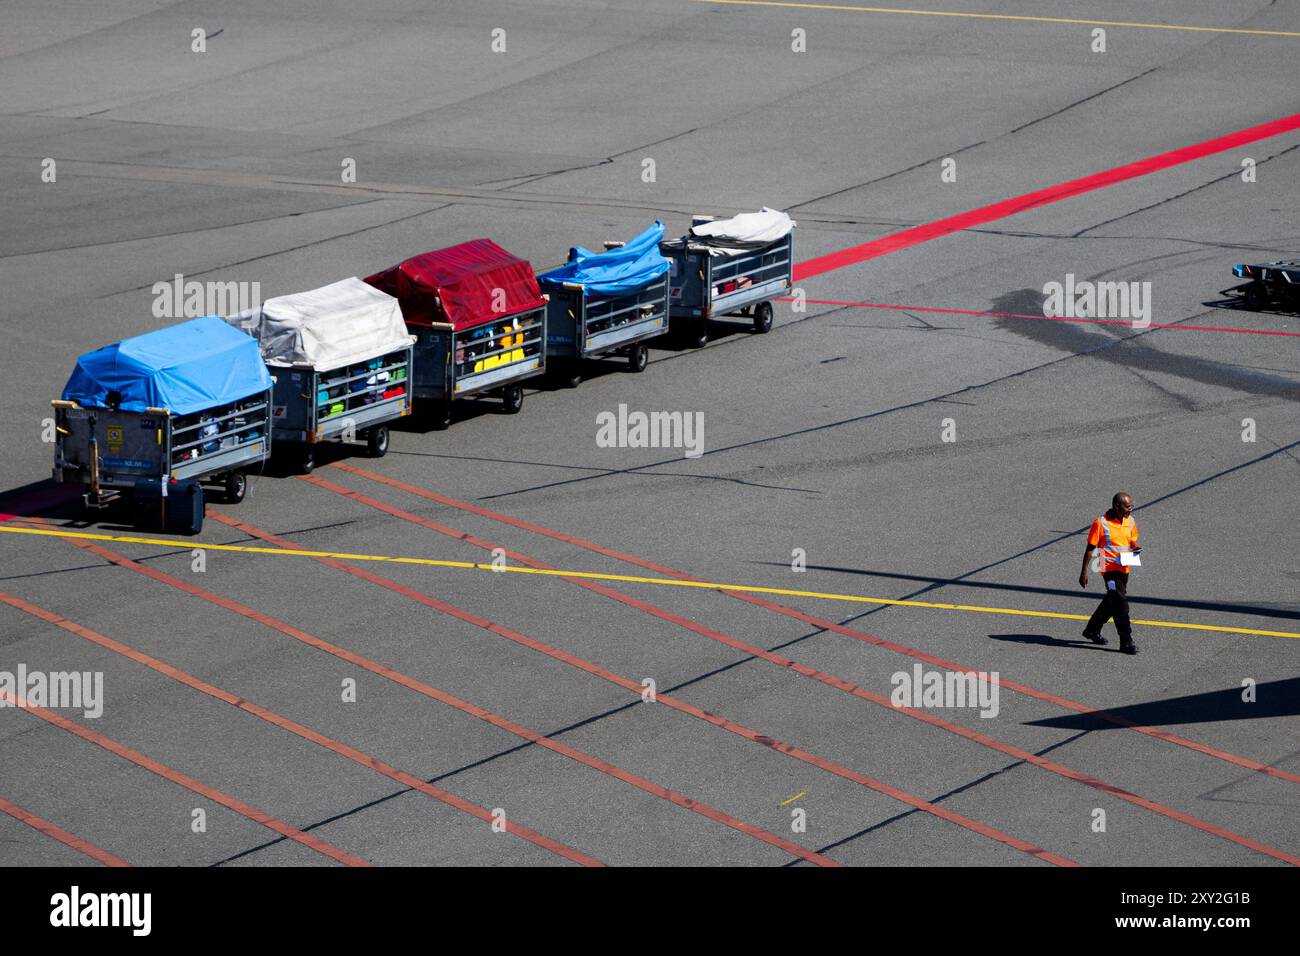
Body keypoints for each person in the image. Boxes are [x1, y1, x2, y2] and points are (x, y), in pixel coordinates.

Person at [1079, 492, 1142, 654]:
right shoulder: (1100, 523)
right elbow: (1089, 549)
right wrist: (1084, 572)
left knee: (1112, 601)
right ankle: (1126, 641)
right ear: (1117, 506)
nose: (1131, 509)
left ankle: (1092, 629)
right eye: (1128, 507)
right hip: (1108, 569)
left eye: (1131, 506)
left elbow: (1131, 539)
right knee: (1121, 606)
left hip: (1124, 566)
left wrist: (1134, 546)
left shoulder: (1130, 521)